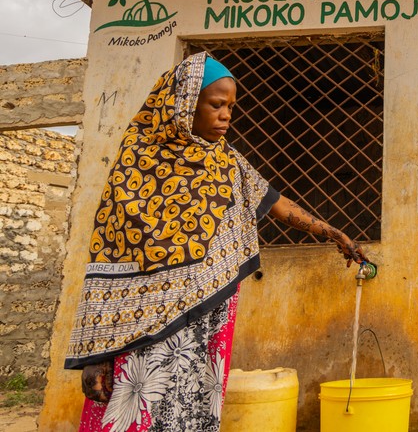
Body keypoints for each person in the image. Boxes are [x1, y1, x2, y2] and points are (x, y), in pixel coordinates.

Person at [66, 52, 369, 432]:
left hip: (208, 318)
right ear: (184, 103)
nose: (226, 115)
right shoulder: (136, 160)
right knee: (134, 411)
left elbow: (276, 203)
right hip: (140, 328)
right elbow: (109, 259)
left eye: (231, 106)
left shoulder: (226, 162)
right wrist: (98, 355)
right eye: (216, 104)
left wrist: (331, 233)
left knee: (194, 410)